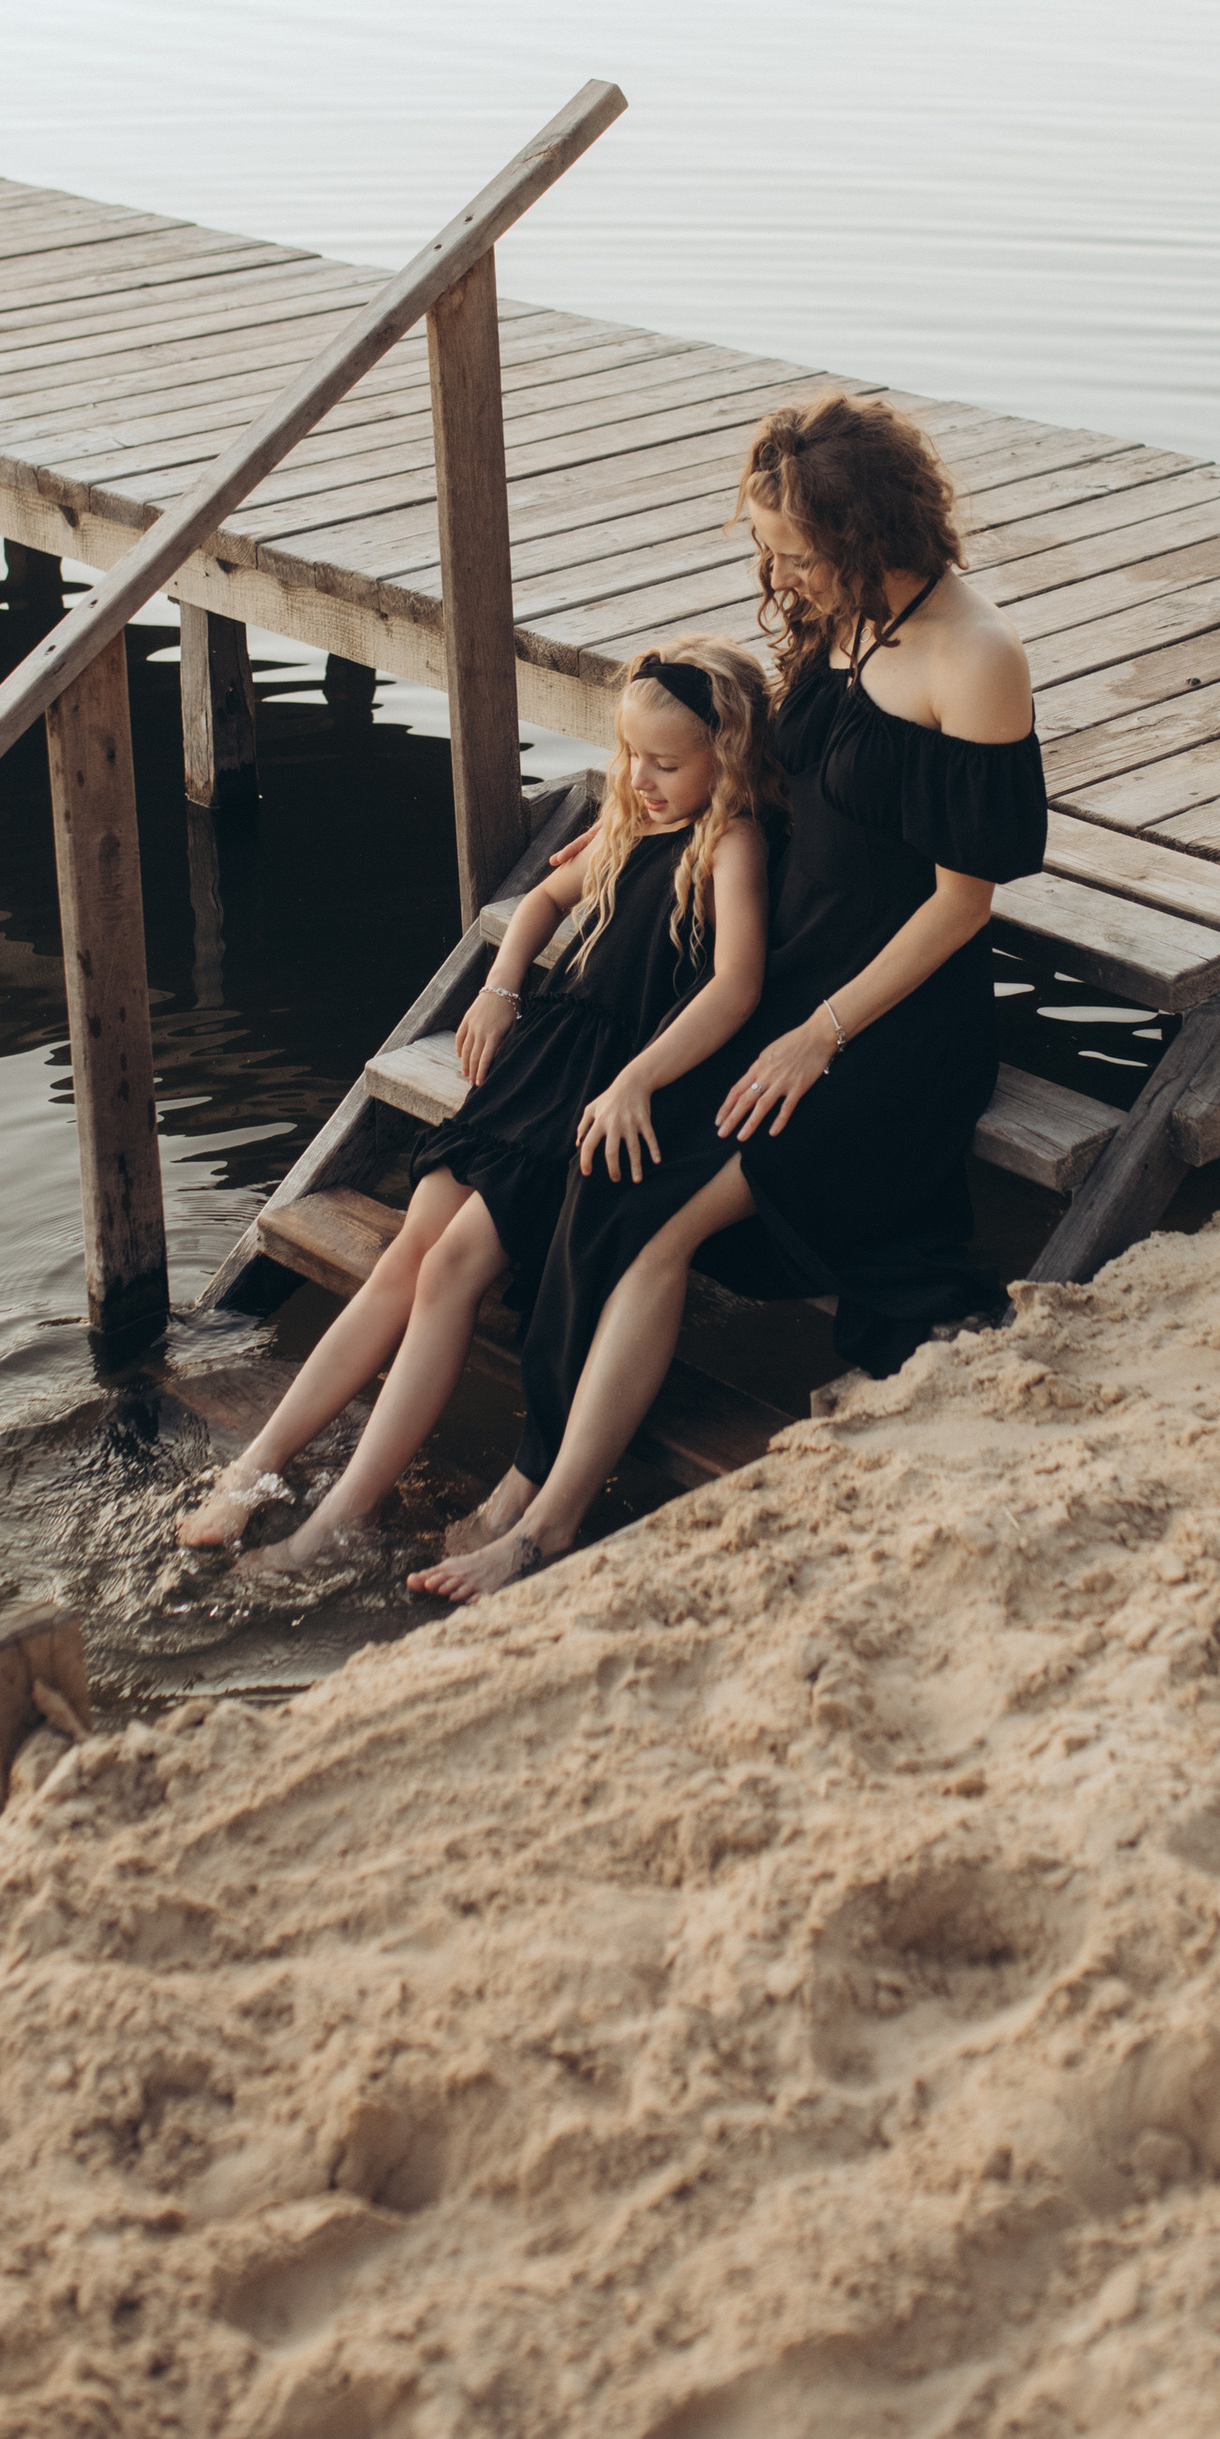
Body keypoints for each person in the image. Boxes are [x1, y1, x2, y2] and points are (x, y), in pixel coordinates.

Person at [412, 394, 1046, 1604]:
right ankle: (527, 1470)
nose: (777, 574)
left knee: (664, 1220)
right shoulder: (840, 620)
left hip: (891, 1025)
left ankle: (545, 1530)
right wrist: (640, 852)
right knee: (603, 1178)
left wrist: (817, 1035)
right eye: (769, 547)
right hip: (790, 986)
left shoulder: (976, 657)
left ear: (869, 532)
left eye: (795, 552)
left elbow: (963, 905)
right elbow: (764, 778)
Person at [175, 635, 777, 1576]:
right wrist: (498, 989)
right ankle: (258, 1466)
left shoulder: (724, 842)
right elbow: (538, 903)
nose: (642, 778)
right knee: (406, 1257)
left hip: (598, 1087)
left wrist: (638, 1080)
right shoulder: (632, 824)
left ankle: (342, 1516)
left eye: (667, 763)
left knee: (453, 1263)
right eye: (629, 756)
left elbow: (735, 985)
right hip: (543, 1060)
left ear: (726, 758)